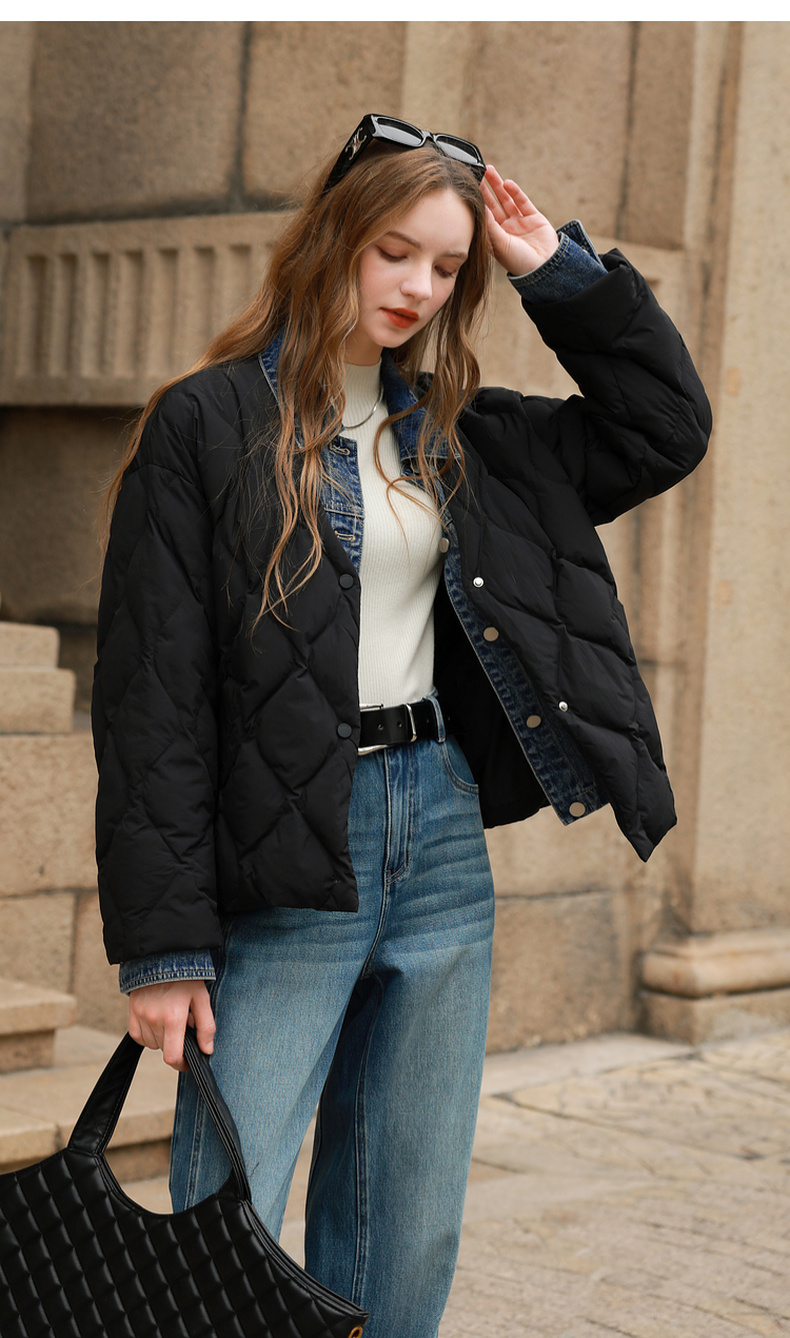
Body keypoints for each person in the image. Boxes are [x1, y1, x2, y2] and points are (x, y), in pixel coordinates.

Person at [92, 113, 711, 1338]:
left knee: (406, 1214)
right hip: (283, 857)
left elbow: (662, 427)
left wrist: (555, 273)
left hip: (436, 837)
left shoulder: (468, 432)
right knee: (232, 1210)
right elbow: (152, 697)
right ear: (333, 238)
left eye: (446, 266)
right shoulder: (205, 426)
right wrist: (162, 949)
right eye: (395, 252)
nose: (419, 287)